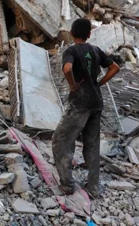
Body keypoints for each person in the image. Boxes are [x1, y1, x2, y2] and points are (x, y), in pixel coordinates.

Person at [52, 18, 120, 198]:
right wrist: (99, 83)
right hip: (96, 102)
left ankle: (67, 185)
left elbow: (67, 69)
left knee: (62, 141)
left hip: (80, 102)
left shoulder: (71, 50)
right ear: (89, 34)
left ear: (72, 34)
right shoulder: (96, 50)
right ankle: (93, 188)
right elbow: (115, 67)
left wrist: (73, 85)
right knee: (92, 145)